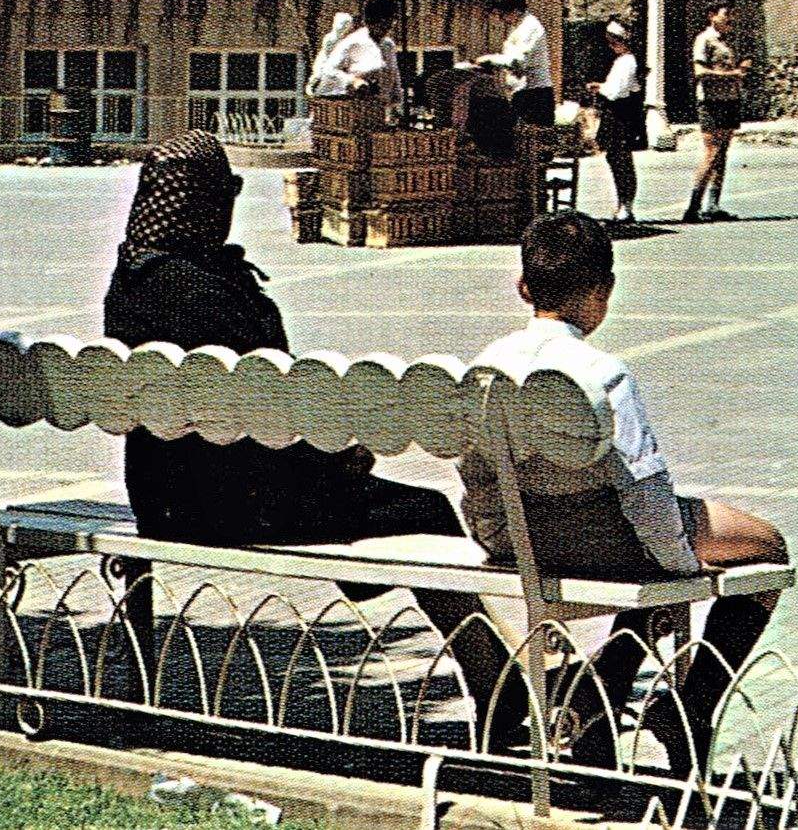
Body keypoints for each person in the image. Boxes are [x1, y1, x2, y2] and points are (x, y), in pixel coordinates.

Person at [102, 134, 517, 729]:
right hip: (243, 503)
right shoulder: (214, 293)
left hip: (162, 500)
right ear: (207, 203)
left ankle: (496, 675)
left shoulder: (131, 284)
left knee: (371, 493)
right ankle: (496, 684)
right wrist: (341, 457)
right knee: (426, 509)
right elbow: (270, 415)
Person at [466, 213, 786, 770]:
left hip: (520, 537)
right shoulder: (601, 372)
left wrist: (498, 537)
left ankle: (600, 693)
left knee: (658, 565)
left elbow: (475, 472)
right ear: (604, 292)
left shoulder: (486, 366)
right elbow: (643, 490)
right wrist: (681, 565)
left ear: (524, 288)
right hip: (608, 537)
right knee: (766, 544)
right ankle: (693, 702)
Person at [681, 3, 745, 224]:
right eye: (726, 15)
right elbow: (700, 72)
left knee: (723, 153)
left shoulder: (727, 41)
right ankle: (693, 207)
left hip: (729, 100)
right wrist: (733, 75)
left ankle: (713, 205)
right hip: (711, 102)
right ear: (712, 16)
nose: (730, 20)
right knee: (712, 153)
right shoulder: (704, 40)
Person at [591, 18, 648, 226]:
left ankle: (626, 205)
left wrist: (600, 89)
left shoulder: (628, 62)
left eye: (614, 42)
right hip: (616, 115)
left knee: (622, 161)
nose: (611, 46)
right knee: (615, 160)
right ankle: (622, 203)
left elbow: (616, 92)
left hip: (621, 116)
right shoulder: (621, 61)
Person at [309, 0, 403, 119]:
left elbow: (393, 74)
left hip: (380, 111)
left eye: (390, 24)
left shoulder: (388, 46)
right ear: (370, 22)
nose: (386, 29)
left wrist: (396, 100)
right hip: (352, 112)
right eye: (382, 24)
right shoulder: (353, 42)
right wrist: (353, 81)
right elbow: (329, 70)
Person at [486, 0, 555, 130]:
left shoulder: (529, 27)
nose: (501, 19)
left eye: (502, 14)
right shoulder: (518, 26)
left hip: (535, 94)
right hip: (522, 92)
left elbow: (517, 61)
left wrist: (489, 59)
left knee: (533, 141)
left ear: (515, 10)